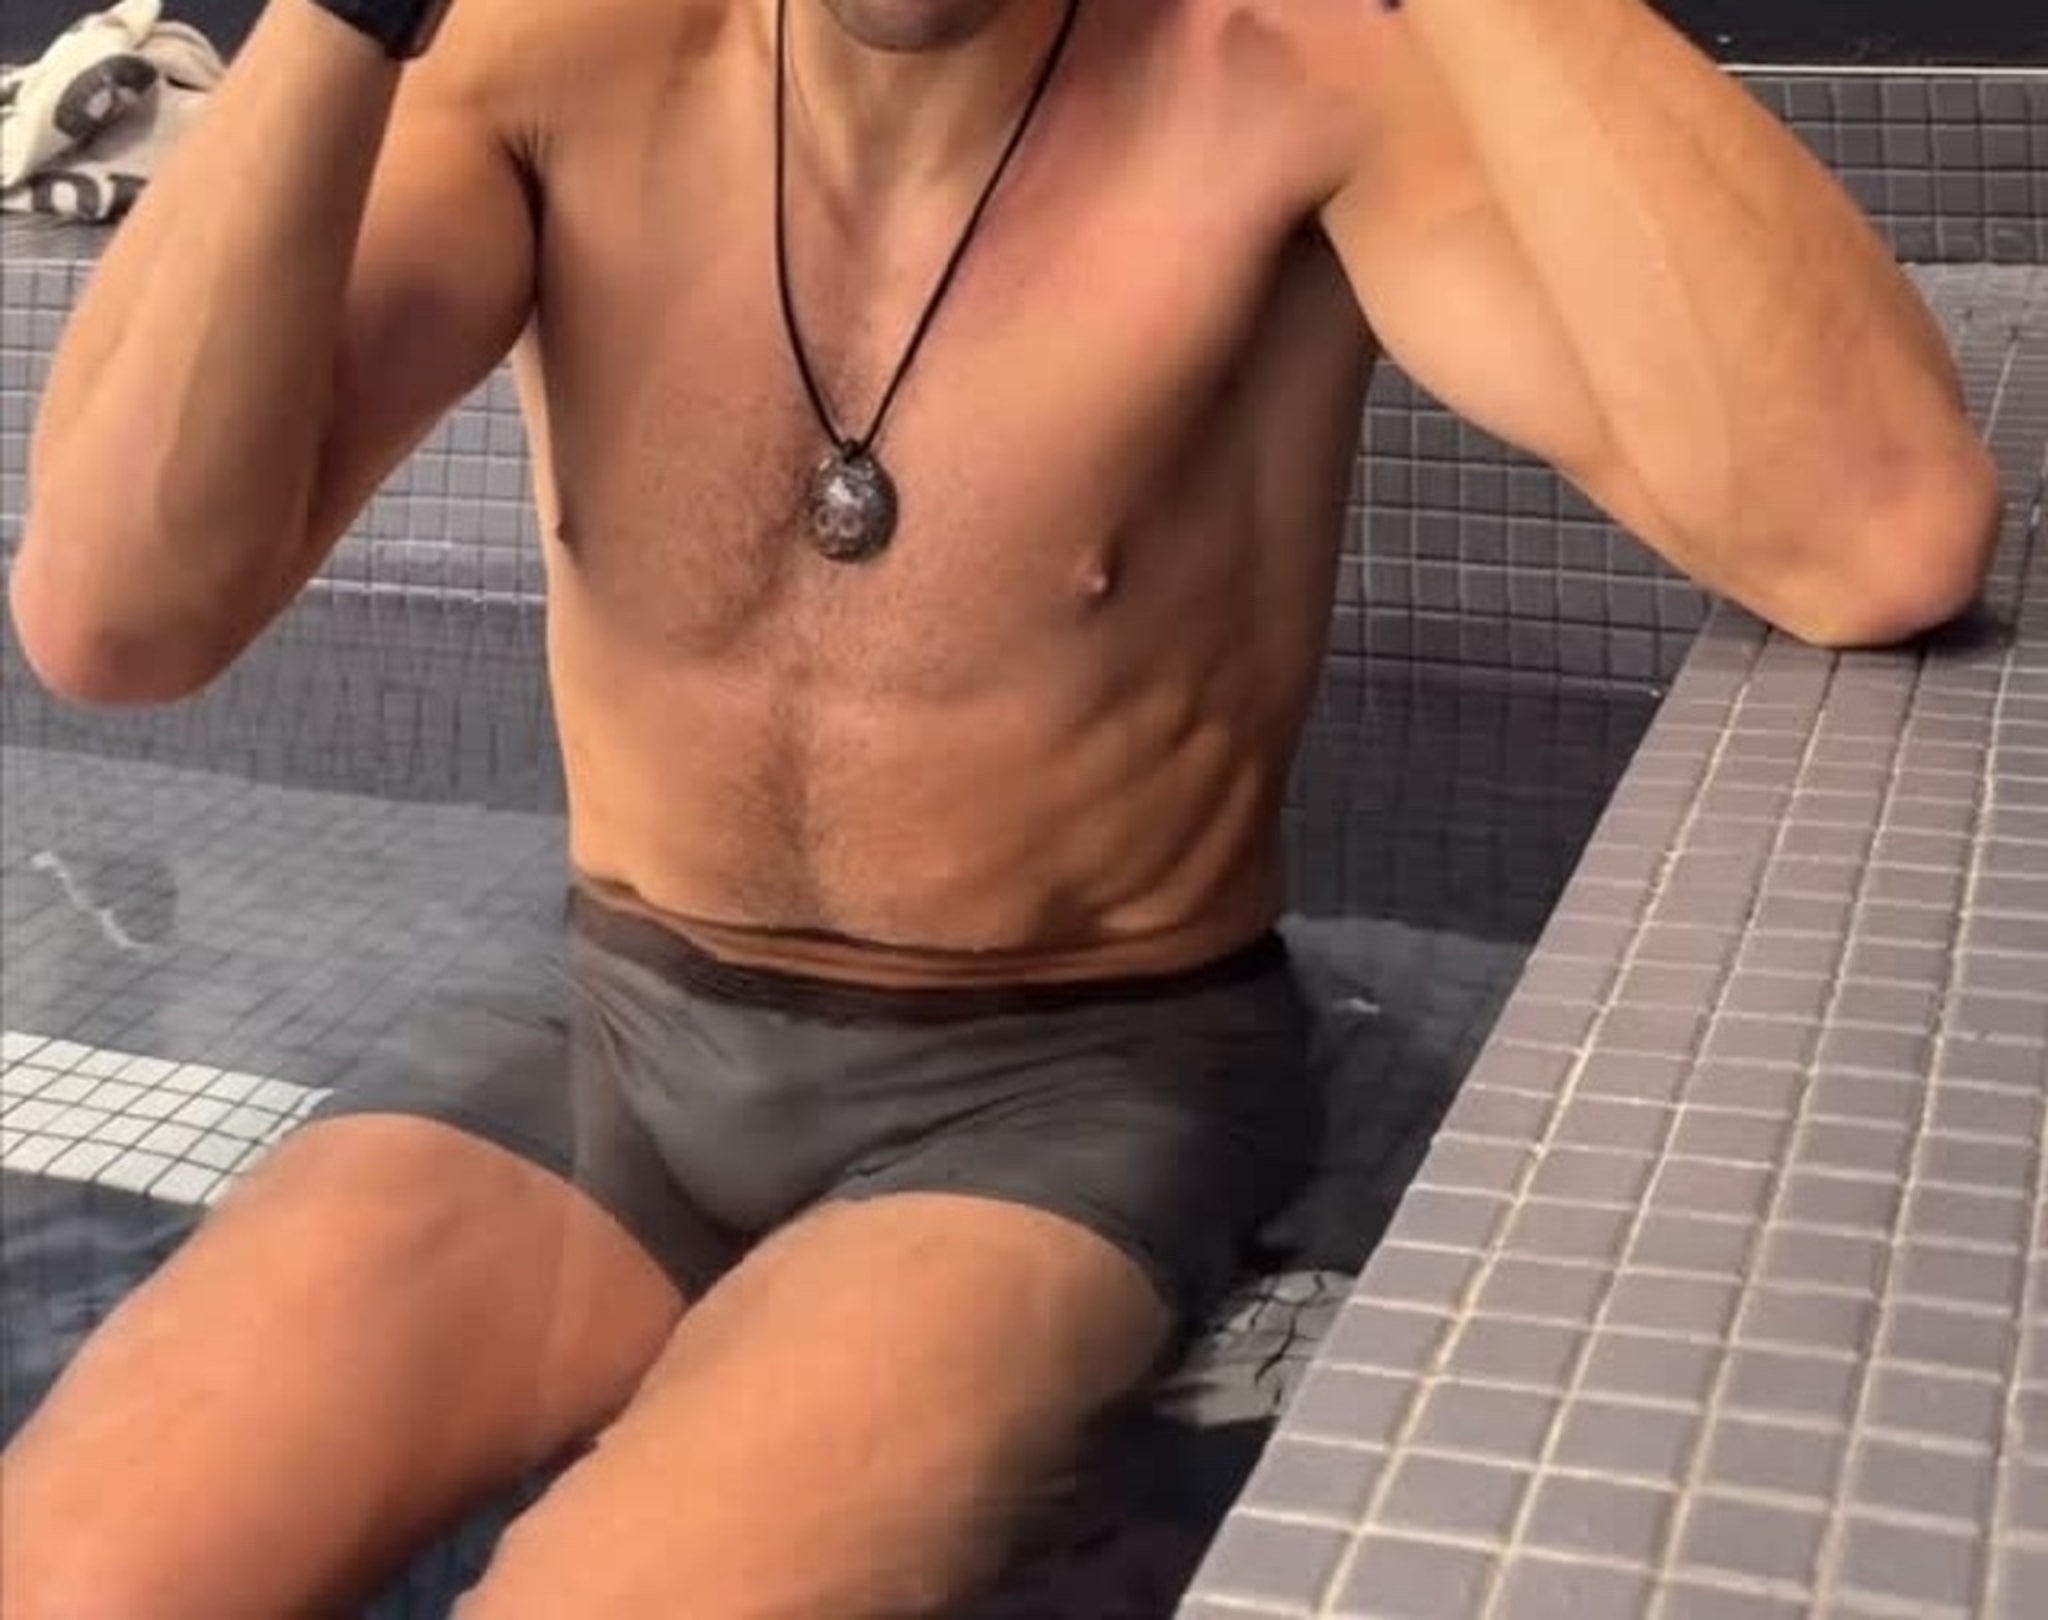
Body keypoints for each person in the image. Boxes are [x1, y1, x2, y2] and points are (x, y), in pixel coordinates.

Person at [0, 1, 2000, 1615]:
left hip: (1074, 1077)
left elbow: (1877, 539)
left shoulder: (1300, 81)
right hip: (609, 1030)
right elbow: (116, 621)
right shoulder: (548, 59)